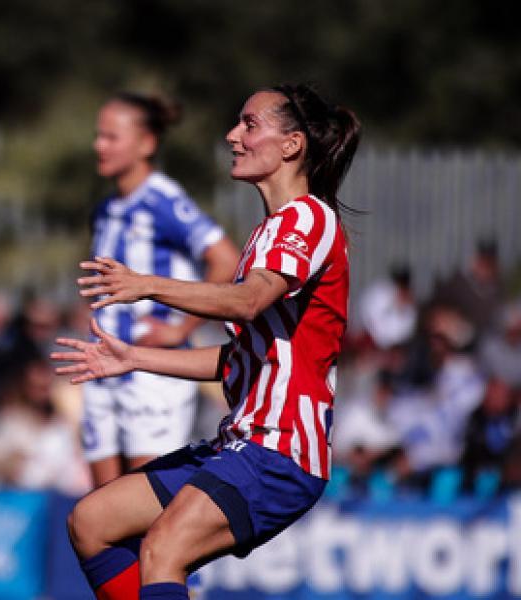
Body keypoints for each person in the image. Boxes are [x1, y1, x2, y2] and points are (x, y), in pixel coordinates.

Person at [53, 84, 360, 599]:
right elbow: (238, 360)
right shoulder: (266, 235)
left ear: (291, 145)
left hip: (280, 449)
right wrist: (133, 356)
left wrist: (146, 284)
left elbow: (246, 302)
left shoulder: (308, 217)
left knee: (163, 551)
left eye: (249, 124)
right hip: (241, 439)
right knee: (92, 520)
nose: (233, 135)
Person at [82, 92, 239, 486]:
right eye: (98, 136)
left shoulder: (163, 199)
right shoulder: (107, 209)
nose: (99, 145)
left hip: (152, 371)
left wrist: (181, 329)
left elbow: (226, 260)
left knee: (139, 508)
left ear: (146, 144)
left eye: (111, 137)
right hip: (103, 366)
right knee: (98, 511)